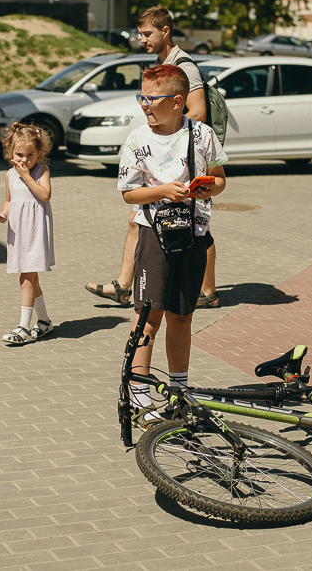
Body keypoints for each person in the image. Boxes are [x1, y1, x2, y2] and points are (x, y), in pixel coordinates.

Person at [86, 5, 222, 309]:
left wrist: (162, 139)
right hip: (167, 161)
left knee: (198, 226)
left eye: (147, 33)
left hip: (183, 159)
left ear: (165, 31)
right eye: (140, 33)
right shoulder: (163, 62)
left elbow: (197, 112)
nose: (141, 38)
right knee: (142, 219)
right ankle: (126, 285)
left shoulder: (183, 66)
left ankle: (206, 290)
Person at [118, 64, 227, 421]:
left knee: (182, 316)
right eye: (142, 97)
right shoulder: (138, 139)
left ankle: (179, 392)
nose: (145, 105)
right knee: (148, 317)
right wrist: (164, 191)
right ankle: (139, 395)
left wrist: (208, 186)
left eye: (152, 98)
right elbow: (129, 194)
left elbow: (221, 179)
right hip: (154, 235)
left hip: (193, 234)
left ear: (178, 102)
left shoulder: (203, 135)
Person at [0, 123, 55, 345]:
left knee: (26, 277)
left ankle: (23, 326)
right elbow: (9, 200)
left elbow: (45, 195)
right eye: (19, 155)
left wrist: (27, 176)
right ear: (11, 153)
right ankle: (45, 322)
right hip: (18, 232)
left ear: (39, 153)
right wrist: (4, 213)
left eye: (30, 155)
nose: (24, 160)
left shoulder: (42, 172)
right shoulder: (10, 175)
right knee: (32, 277)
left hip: (35, 231)